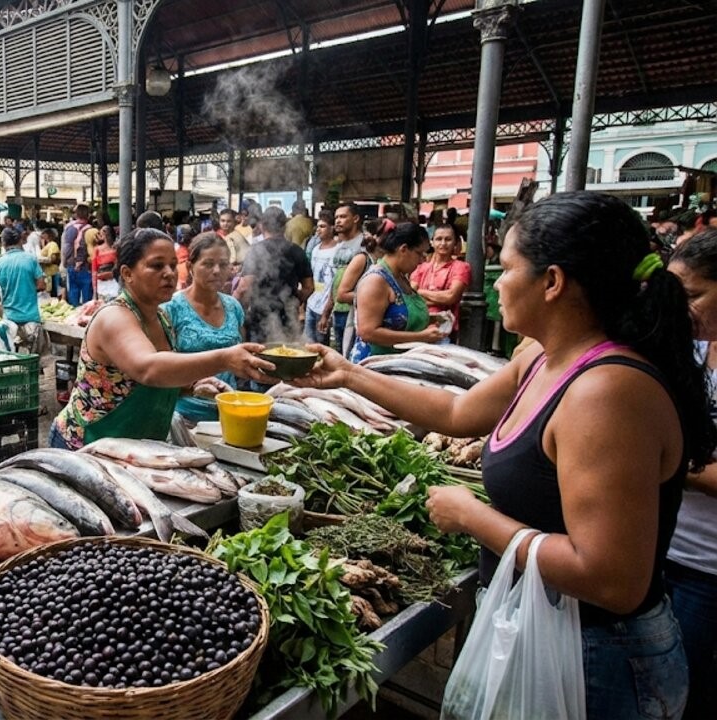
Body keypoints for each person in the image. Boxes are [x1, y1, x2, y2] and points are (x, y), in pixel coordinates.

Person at [297, 191, 709, 720]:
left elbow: (612, 580)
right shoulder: (544, 356)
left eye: (508, 268)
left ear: (553, 282)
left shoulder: (606, 393)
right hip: (540, 629)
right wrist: (348, 374)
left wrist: (474, 518)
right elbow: (454, 412)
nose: (495, 282)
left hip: (597, 661)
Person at [50, 229, 276, 450]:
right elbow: (148, 369)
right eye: (157, 266)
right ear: (128, 274)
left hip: (136, 446)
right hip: (87, 444)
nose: (169, 272)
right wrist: (224, 359)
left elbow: (151, 380)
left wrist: (192, 385)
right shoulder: (114, 316)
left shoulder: (161, 317)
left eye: (172, 264)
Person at [662, 228, 717, 719]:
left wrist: (665, 461)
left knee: (689, 690)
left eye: (695, 295)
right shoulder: (693, 353)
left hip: (709, 569)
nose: (683, 309)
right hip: (664, 547)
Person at [163, 233, 244, 423]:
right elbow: (159, 371)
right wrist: (194, 384)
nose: (216, 271)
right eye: (208, 264)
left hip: (227, 412)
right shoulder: (170, 309)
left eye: (223, 265)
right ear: (190, 267)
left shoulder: (233, 307)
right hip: (182, 415)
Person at [349, 223, 444, 361]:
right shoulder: (376, 281)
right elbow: (367, 332)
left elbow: (398, 316)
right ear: (404, 249)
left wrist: (431, 318)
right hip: (375, 365)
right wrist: (421, 336)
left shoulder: (400, 277)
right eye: (420, 254)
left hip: (399, 361)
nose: (423, 260)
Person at [234, 207, 313, 349]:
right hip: (289, 316)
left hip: (260, 317)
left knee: (260, 356)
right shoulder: (297, 251)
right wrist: (294, 300)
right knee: (286, 354)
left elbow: (245, 286)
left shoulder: (256, 250)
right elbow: (309, 287)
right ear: (285, 226)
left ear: (261, 225)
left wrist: (231, 305)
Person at [0, 226, 47, 356]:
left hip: (9, 320)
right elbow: (42, 285)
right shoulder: (30, 259)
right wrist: (28, 289)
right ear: (21, 240)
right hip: (31, 320)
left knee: (9, 359)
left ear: (3, 243)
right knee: (34, 361)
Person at [319, 203, 367, 352]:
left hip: (354, 313)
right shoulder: (339, 246)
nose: (338, 221)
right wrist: (326, 313)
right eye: (336, 217)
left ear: (356, 218)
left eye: (343, 217)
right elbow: (334, 281)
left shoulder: (364, 244)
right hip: (338, 311)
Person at [411, 224, 471, 341]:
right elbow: (410, 297)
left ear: (455, 242)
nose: (443, 243)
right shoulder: (421, 268)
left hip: (444, 330)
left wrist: (421, 292)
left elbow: (451, 296)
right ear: (432, 242)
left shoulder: (461, 267)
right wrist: (440, 299)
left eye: (448, 239)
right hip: (417, 327)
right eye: (439, 239)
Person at [304, 226, 340, 345]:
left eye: (323, 226)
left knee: (321, 346)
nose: (318, 229)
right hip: (312, 303)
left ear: (331, 228)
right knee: (308, 344)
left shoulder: (337, 250)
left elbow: (335, 283)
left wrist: (326, 312)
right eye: (318, 226)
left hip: (325, 306)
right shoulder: (315, 249)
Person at [62, 204, 94, 306]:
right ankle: (86, 316)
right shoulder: (90, 230)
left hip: (71, 264)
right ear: (88, 215)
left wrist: (64, 262)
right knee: (87, 294)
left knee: (73, 291)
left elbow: (66, 248)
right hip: (86, 266)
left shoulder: (70, 228)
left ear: (76, 215)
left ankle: (74, 315)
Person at [93, 225, 120, 300]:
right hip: (101, 284)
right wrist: (94, 292)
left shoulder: (116, 249)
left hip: (114, 283)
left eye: (107, 233)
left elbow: (118, 266)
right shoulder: (97, 250)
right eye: (103, 232)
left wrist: (112, 274)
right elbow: (94, 271)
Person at [38, 227, 62, 298]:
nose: (41, 236)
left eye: (43, 234)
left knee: (53, 292)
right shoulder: (48, 245)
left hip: (52, 272)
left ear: (48, 235)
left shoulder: (53, 244)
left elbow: (53, 258)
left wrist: (42, 260)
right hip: (48, 273)